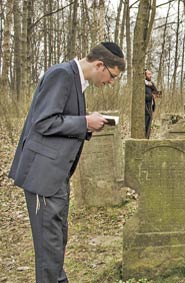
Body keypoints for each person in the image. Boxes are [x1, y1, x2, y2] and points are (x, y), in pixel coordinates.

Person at [8, 42, 125, 282]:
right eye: (112, 76)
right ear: (99, 65)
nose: (110, 82)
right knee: (48, 247)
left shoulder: (76, 81)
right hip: (43, 176)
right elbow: (43, 122)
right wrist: (84, 122)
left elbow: (60, 121)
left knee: (57, 240)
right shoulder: (62, 74)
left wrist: (89, 124)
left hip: (57, 175)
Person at [144, 69, 159, 138]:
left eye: (151, 74)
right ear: (145, 75)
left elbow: (157, 94)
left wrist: (151, 85)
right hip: (145, 108)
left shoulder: (150, 84)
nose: (151, 76)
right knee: (145, 126)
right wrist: (151, 96)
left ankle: (147, 140)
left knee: (149, 126)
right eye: (149, 74)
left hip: (150, 107)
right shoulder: (142, 85)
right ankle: (144, 140)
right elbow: (142, 97)